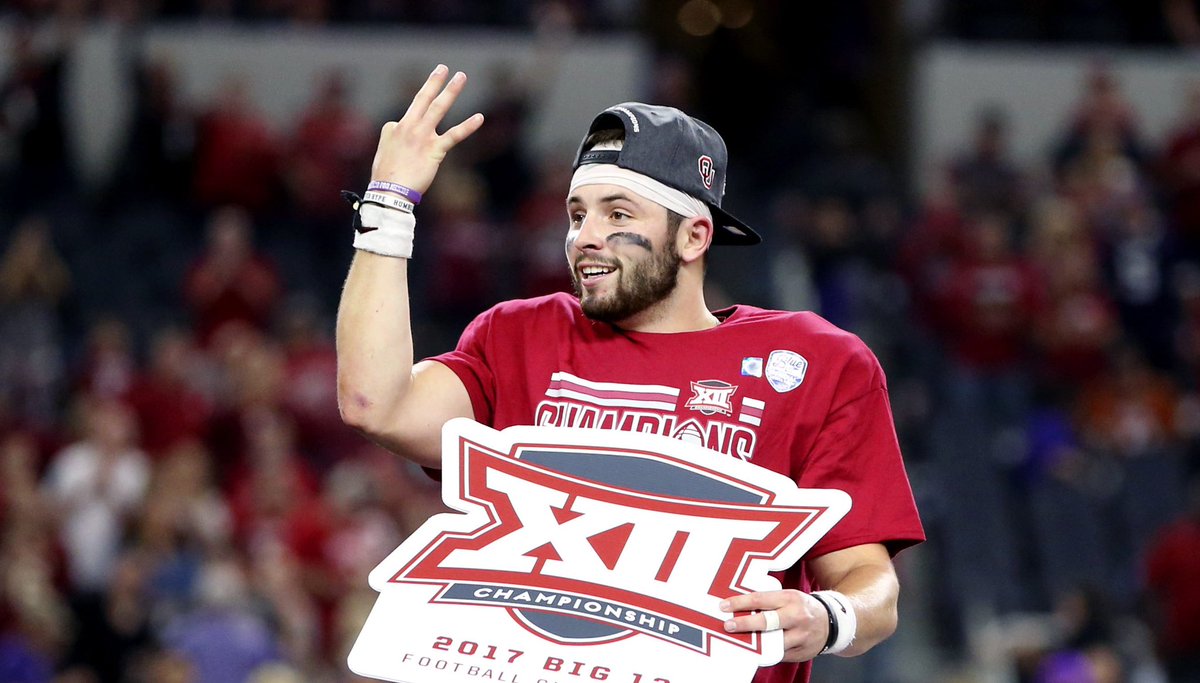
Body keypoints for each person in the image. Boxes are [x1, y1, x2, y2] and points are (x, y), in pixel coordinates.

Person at [335, 64, 925, 683]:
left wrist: (828, 616)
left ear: (695, 235)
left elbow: (870, 585)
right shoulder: (521, 335)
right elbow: (377, 404)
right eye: (576, 214)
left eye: (618, 215)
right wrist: (389, 206)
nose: (585, 237)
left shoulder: (813, 363)